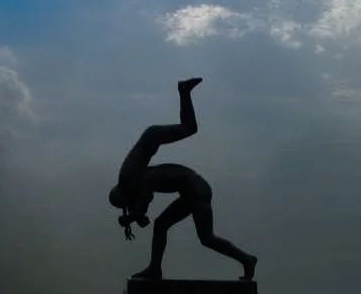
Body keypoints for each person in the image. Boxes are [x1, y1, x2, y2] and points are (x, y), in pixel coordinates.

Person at [108, 78, 258, 281]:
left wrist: (133, 217)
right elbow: (144, 204)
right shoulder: (139, 179)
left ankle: (247, 260)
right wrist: (134, 216)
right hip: (192, 190)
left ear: (123, 193)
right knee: (174, 228)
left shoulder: (131, 179)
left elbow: (143, 205)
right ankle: (156, 269)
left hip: (196, 189)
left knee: (205, 237)